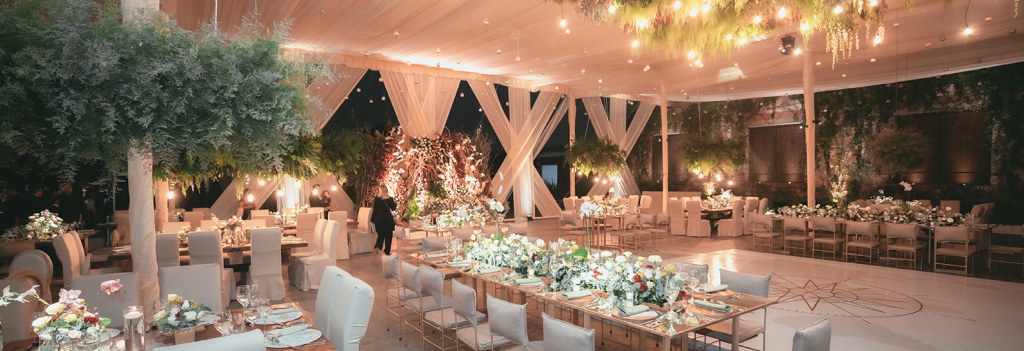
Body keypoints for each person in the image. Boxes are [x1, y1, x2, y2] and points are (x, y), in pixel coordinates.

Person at [371, 185, 397, 255]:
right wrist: (395, 203)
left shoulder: (377, 199)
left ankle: (378, 246)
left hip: (379, 220)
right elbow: (393, 208)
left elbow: (374, 210)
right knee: (388, 236)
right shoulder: (390, 199)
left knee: (381, 235)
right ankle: (387, 251)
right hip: (388, 220)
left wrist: (372, 220)